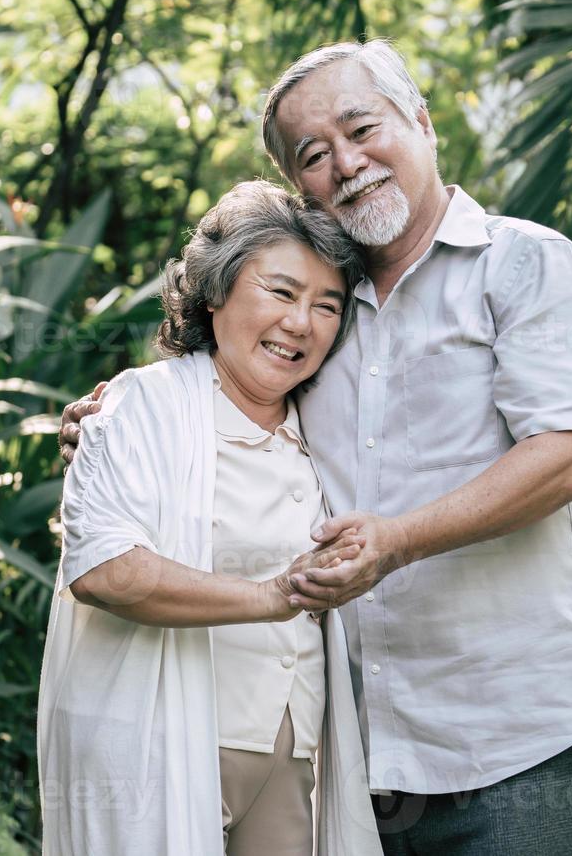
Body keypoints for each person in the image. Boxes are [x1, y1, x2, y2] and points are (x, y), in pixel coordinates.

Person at [60, 40, 572, 856]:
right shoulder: (321, 318)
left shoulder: (525, 265)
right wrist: (118, 416)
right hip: (364, 754)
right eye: (315, 156)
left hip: (520, 731)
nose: (348, 163)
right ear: (302, 187)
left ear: (423, 124)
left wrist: (396, 541)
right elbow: (225, 410)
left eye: (364, 129)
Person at [37, 180, 383, 856]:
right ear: (216, 290)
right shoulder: (140, 407)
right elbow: (105, 571)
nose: (301, 323)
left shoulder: (333, 429)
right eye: (281, 293)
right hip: (160, 739)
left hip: (293, 747)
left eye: (326, 305)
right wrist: (273, 596)